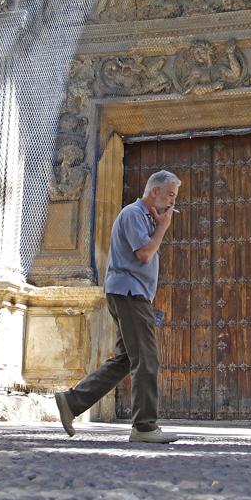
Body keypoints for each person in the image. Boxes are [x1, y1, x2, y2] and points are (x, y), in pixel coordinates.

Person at [54, 170, 181, 444]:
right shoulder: (134, 214)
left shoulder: (146, 217)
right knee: (146, 358)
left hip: (132, 294)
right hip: (128, 293)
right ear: (154, 192)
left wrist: (158, 225)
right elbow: (144, 254)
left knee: (125, 360)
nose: (173, 202)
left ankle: (72, 401)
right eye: (170, 195)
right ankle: (144, 426)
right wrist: (162, 228)